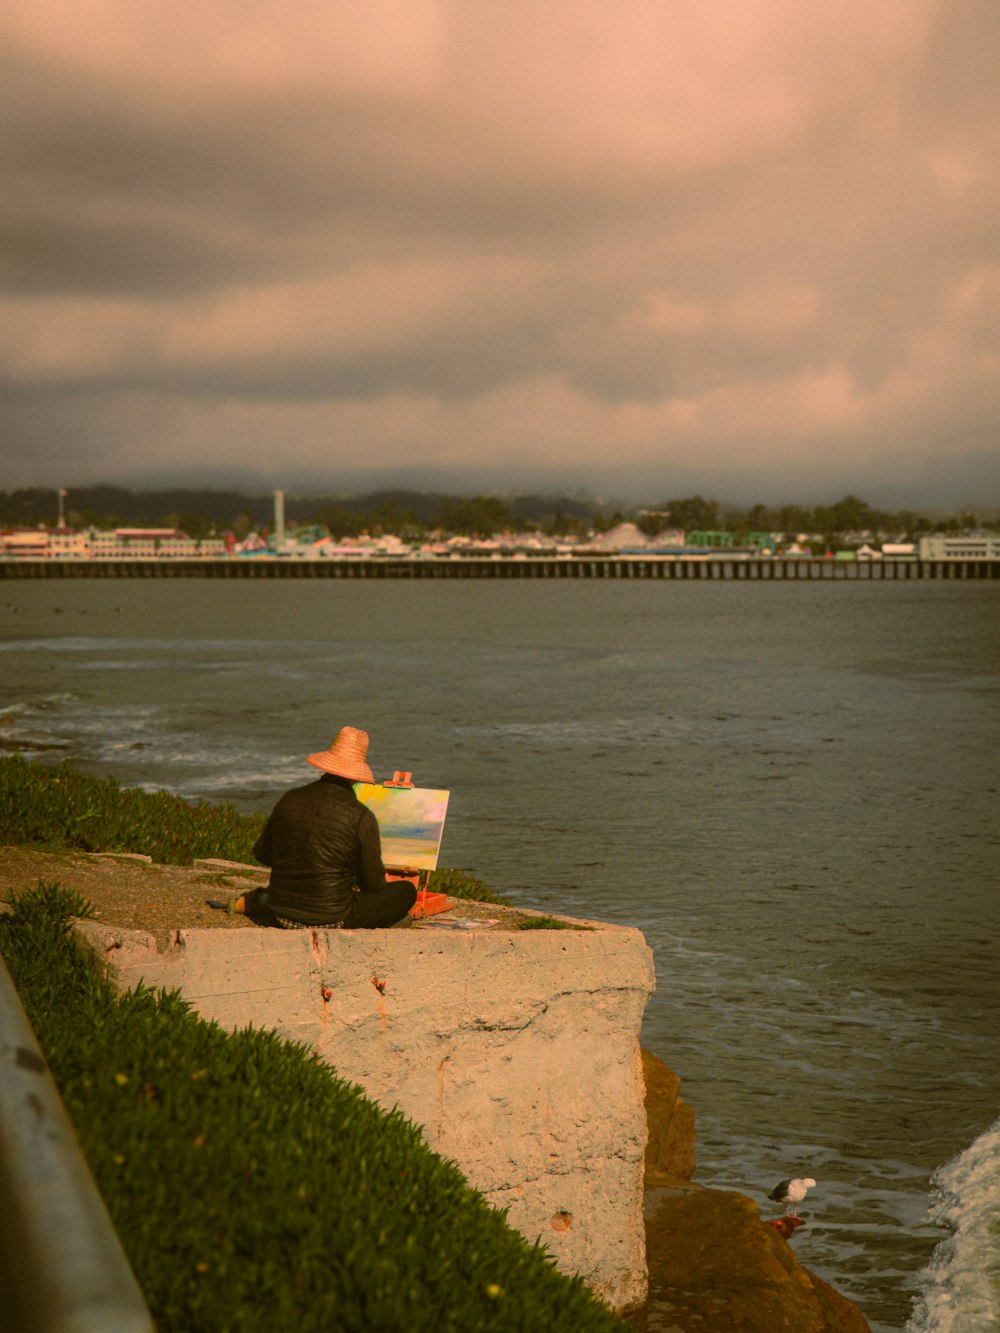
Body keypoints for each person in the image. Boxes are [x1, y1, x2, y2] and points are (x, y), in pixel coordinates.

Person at [253, 726, 417, 929]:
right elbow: (373, 885)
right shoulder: (360, 815)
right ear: (356, 775)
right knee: (406, 891)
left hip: (280, 912)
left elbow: (262, 855)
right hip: (330, 917)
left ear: (326, 766)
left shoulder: (290, 797)